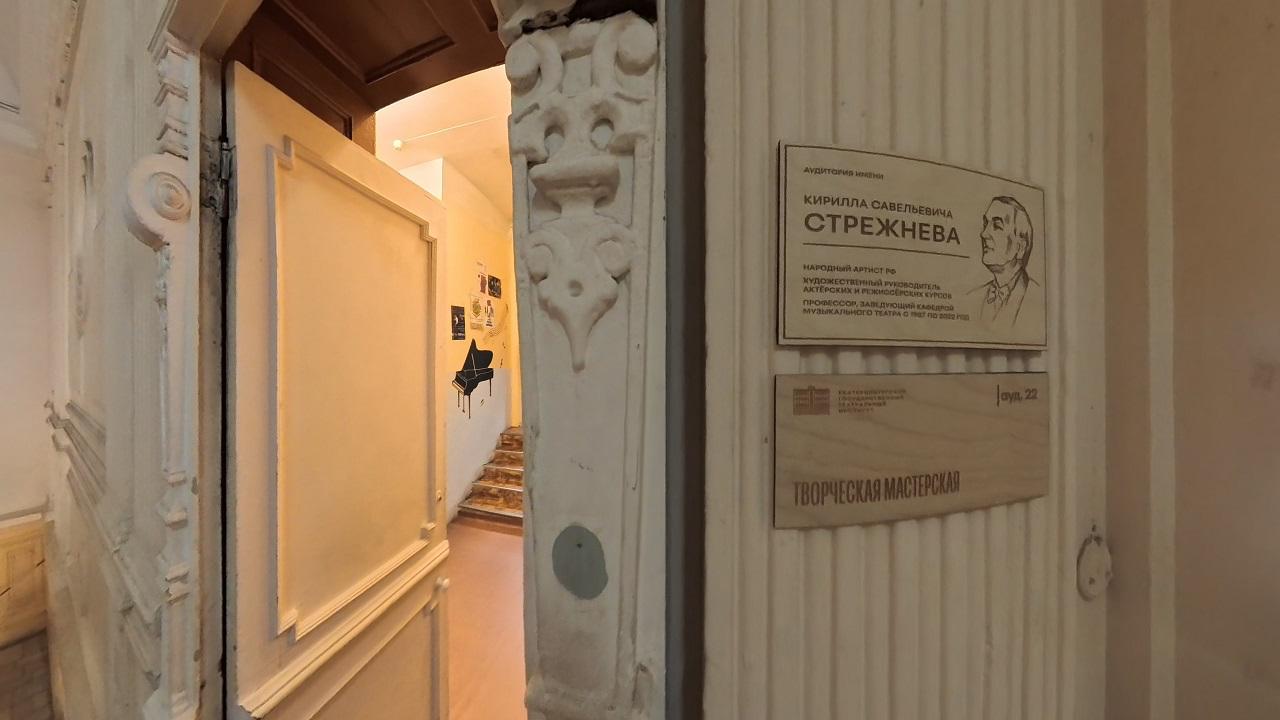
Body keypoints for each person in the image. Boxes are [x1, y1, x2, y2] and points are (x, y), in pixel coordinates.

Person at [971, 196, 1041, 330]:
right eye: (985, 224)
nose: (984, 234)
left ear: (1020, 247)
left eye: (997, 226)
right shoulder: (973, 296)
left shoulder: (1037, 296)